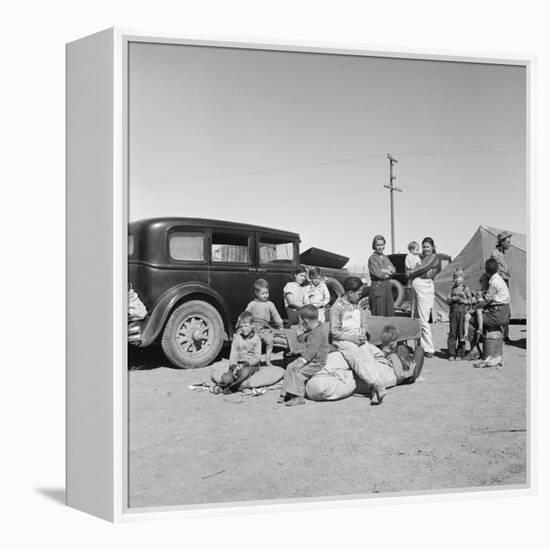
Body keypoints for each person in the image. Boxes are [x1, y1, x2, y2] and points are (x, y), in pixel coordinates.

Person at [330, 276, 387, 404]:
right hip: (343, 340)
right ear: (350, 293)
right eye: (358, 294)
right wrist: (352, 338)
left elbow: (364, 322)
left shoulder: (357, 305)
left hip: (358, 338)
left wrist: (362, 333)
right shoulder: (337, 308)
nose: (359, 297)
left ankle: (375, 389)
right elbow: (335, 332)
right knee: (357, 359)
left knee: (368, 357)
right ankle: (377, 385)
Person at [278, 305, 329, 406]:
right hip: (310, 358)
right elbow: (305, 342)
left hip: (317, 362)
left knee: (299, 373)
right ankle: (286, 392)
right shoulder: (312, 330)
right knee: (290, 367)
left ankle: (298, 397)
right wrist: (298, 351)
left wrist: (302, 361)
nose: (300, 324)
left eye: (300, 322)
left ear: (305, 321)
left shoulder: (318, 333)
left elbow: (313, 350)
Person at [408, 237, 441, 358]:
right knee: (416, 317)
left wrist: (411, 272)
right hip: (417, 286)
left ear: (432, 247)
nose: (426, 249)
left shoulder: (433, 258)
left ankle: (429, 348)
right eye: (424, 247)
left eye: (428, 246)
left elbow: (420, 269)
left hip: (425, 287)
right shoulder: (421, 258)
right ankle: (419, 345)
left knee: (423, 318)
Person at [245, 279, 284, 366]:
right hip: (254, 327)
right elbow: (246, 315)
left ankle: (267, 360)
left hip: (265, 328)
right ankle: (255, 361)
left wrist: (280, 325)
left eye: (267, 293)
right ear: (256, 293)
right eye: (263, 293)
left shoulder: (270, 304)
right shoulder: (252, 304)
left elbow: (276, 316)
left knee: (269, 340)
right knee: (254, 343)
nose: (265, 295)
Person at [446, 268, 473, 361]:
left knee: (461, 333)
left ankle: (460, 353)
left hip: (462, 314)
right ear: (453, 279)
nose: (457, 280)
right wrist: (452, 299)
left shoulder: (466, 289)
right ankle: (451, 353)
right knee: (453, 333)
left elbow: (471, 301)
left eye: (459, 278)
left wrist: (462, 300)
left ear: (463, 279)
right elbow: (447, 300)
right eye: (455, 278)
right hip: (453, 314)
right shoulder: (451, 289)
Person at [491, 231, 512, 342]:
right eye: (508, 242)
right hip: (500, 283)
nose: (509, 244)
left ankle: (505, 335)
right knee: (501, 306)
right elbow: (495, 269)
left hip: (505, 281)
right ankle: (500, 335)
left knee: (506, 307)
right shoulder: (495, 254)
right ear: (502, 242)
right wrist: (504, 273)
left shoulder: (502, 253)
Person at [368, 234, 396, 316]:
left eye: (382, 245)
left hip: (387, 287)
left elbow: (393, 270)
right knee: (379, 314)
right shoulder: (372, 258)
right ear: (374, 245)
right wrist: (387, 271)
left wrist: (385, 271)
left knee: (389, 312)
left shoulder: (385, 257)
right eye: (378, 245)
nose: (380, 247)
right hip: (378, 287)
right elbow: (377, 273)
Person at [405, 241, 421, 318]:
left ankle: (417, 313)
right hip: (412, 278)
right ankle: (413, 314)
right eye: (416, 250)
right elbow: (409, 267)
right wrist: (416, 267)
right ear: (411, 249)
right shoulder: (409, 256)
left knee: (417, 298)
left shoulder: (417, 257)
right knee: (413, 299)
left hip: (417, 278)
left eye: (417, 250)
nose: (417, 252)